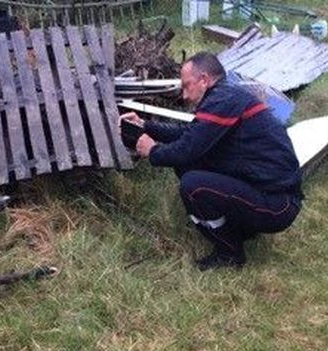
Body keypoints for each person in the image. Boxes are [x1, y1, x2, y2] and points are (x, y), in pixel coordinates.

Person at [119, 52, 303, 271]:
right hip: (271, 195)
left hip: (277, 205)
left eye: (187, 85)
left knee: (193, 185)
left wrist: (153, 151)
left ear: (204, 80)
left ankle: (230, 253)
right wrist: (146, 125)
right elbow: (189, 134)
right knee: (189, 168)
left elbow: (186, 150)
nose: (184, 95)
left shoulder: (222, 100)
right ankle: (241, 230)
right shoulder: (227, 97)